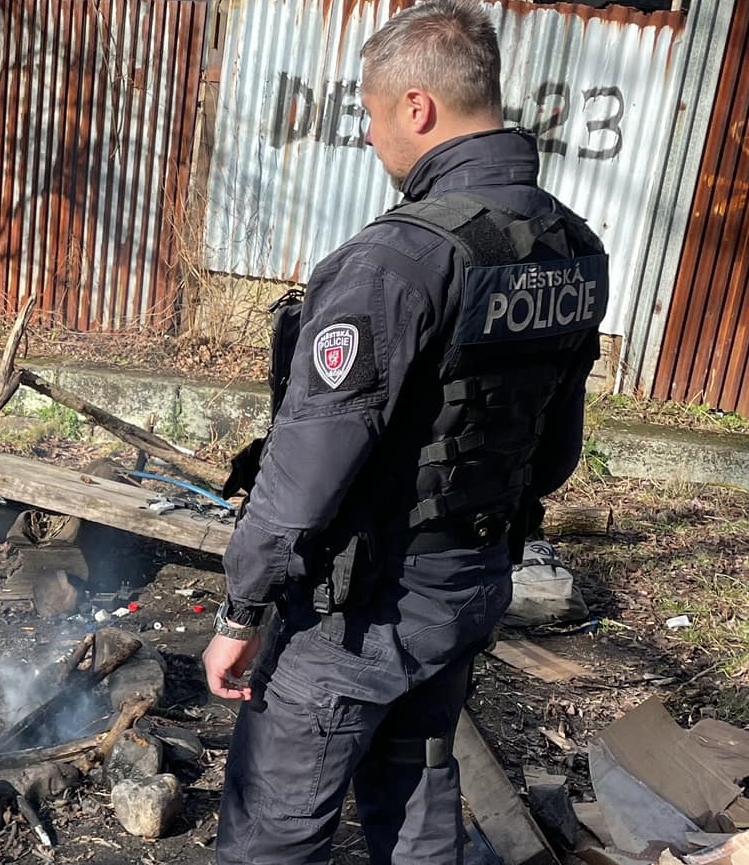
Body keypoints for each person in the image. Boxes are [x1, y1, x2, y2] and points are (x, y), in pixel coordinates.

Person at [202, 2, 608, 862]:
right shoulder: (570, 246)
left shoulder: (395, 262)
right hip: (469, 584)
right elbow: (556, 451)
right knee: (417, 796)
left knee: (272, 828)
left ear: (416, 108)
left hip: (364, 612)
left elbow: (307, 467)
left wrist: (241, 610)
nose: (374, 137)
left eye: (373, 115)